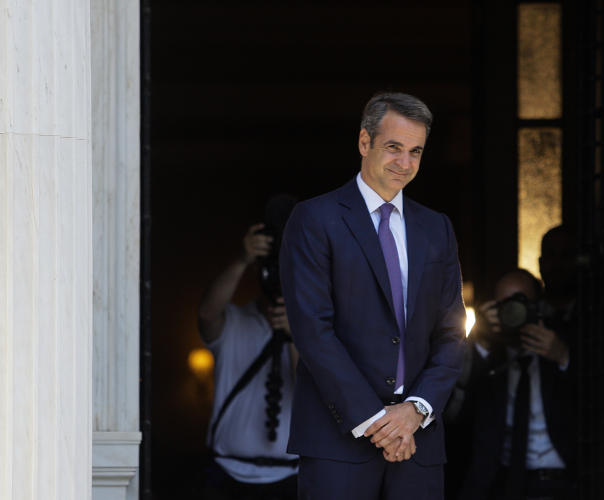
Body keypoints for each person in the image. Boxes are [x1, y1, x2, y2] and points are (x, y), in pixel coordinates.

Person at [280, 92, 466, 499]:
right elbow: (312, 330)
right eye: (393, 147)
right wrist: (378, 421)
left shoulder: (437, 228)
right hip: (338, 442)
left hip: (418, 441)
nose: (405, 163)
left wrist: (416, 410)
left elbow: (453, 332)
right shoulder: (315, 219)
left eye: (415, 151)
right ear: (364, 142)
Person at [459, 226, 577, 500]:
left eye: (521, 303)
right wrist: (482, 339)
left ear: (539, 304)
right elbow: (458, 409)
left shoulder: (562, 339)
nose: (514, 313)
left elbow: (598, 400)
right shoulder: (487, 355)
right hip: (503, 485)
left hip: (564, 483)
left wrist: (563, 357)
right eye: (505, 306)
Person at [198, 219, 299, 500]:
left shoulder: (317, 334)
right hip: (226, 477)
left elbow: (313, 392)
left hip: (289, 479)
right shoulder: (233, 322)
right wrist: (242, 259)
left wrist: (297, 336)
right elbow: (206, 314)